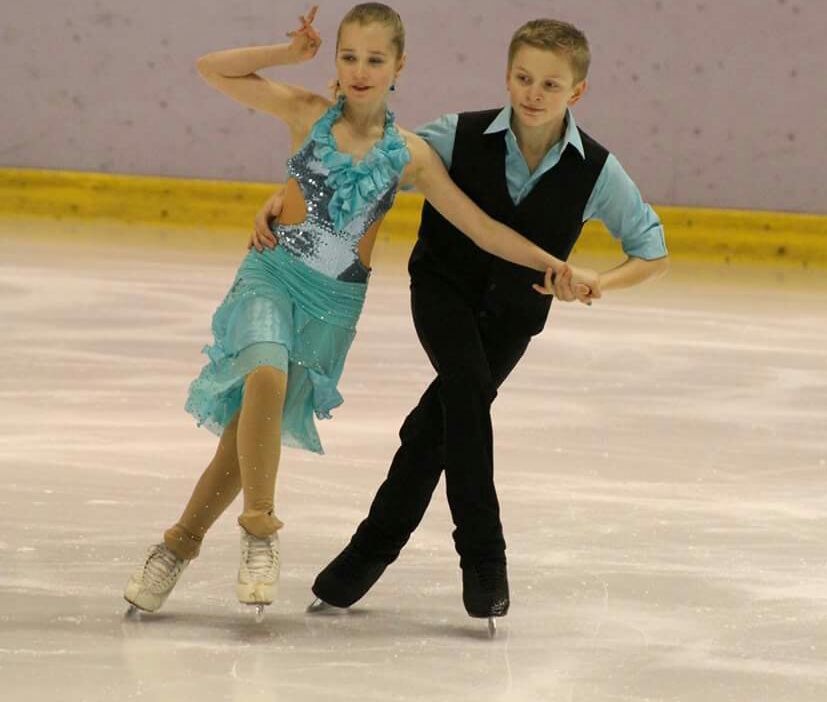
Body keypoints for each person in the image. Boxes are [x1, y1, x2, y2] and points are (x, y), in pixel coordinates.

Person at [123, 3, 595, 618]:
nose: (360, 70)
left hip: (334, 303)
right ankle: (260, 530)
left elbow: (482, 230)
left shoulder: (409, 154)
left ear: (399, 66)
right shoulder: (307, 113)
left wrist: (555, 266)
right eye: (348, 57)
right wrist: (288, 54)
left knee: (245, 435)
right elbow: (212, 68)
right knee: (265, 371)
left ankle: (177, 545)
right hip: (272, 271)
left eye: (375, 59)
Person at [253, 18, 669, 626]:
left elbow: (652, 252)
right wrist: (284, 197)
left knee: (436, 426)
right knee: (467, 388)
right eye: (523, 78)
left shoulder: (598, 172)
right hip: (442, 292)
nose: (533, 93)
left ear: (577, 91)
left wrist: (601, 280)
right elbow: (366, 162)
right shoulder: (456, 135)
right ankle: (485, 560)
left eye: (550, 85)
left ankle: (363, 558)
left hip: (513, 317)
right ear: (507, 75)